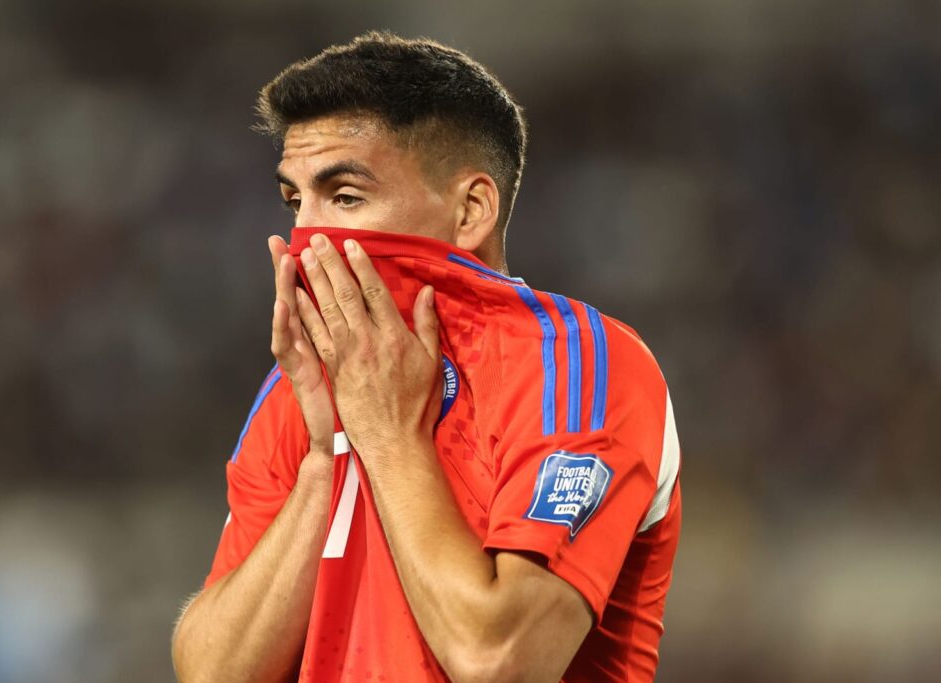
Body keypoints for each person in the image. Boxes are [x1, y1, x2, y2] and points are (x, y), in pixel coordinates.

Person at [171, 31, 681, 683]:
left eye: (346, 196)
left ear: (470, 211)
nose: (306, 239)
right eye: (296, 202)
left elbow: (500, 660)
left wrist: (383, 435)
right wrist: (329, 459)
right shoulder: (296, 392)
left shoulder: (583, 369)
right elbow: (212, 672)